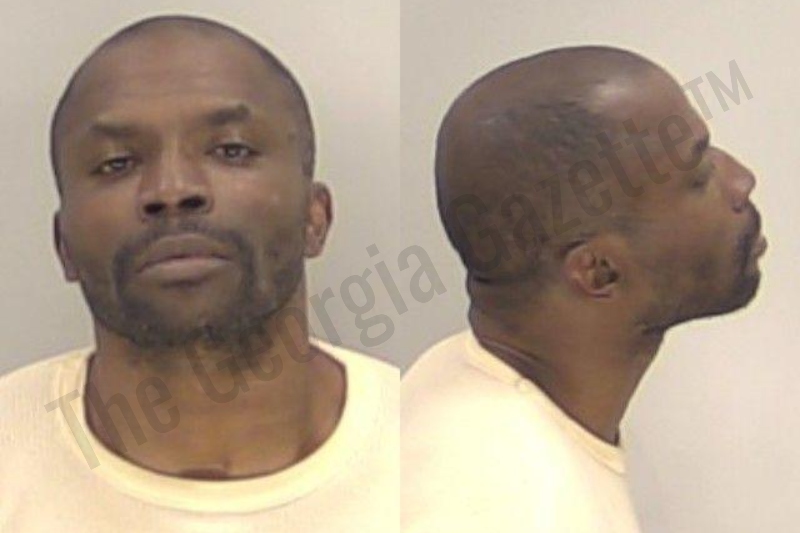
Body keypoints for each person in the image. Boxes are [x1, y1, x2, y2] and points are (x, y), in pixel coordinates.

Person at [0, 15, 398, 532]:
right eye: (117, 163)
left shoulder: (428, 450)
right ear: (64, 244)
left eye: (231, 150)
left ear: (314, 218)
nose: (172, 189)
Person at [402, 46, 766, 532]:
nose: (741, 180)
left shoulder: (448, 374)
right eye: (698, 176)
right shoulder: (535, 511)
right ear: (599, 272)